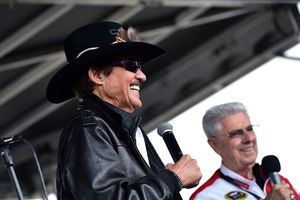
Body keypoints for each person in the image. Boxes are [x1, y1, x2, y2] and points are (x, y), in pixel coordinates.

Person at [46, 21, 202, 200]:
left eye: (140, 66)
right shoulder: (88, 129)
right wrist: (173, 179)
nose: (142, 76)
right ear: (97, 75)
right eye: (131, 64)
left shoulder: (118, 129)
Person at [190, 102, 299, 200]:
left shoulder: (276, 180)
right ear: (215, 144)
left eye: (250, 129)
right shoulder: (206, 196)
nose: (249, 139)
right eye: (236, 133)